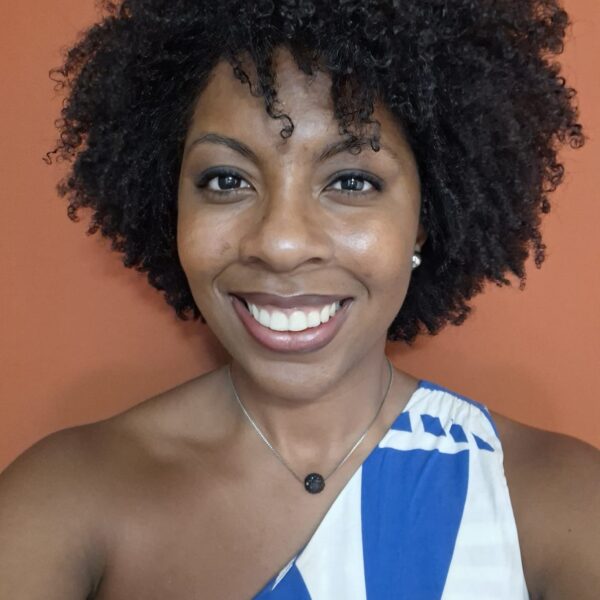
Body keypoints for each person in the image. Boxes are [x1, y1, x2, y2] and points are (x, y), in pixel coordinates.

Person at [1, 0, 599, 598]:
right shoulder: (66, 497)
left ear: (424, 220)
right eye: (226, 180)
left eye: (352, 181)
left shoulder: (556, 499)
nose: (281, 244)